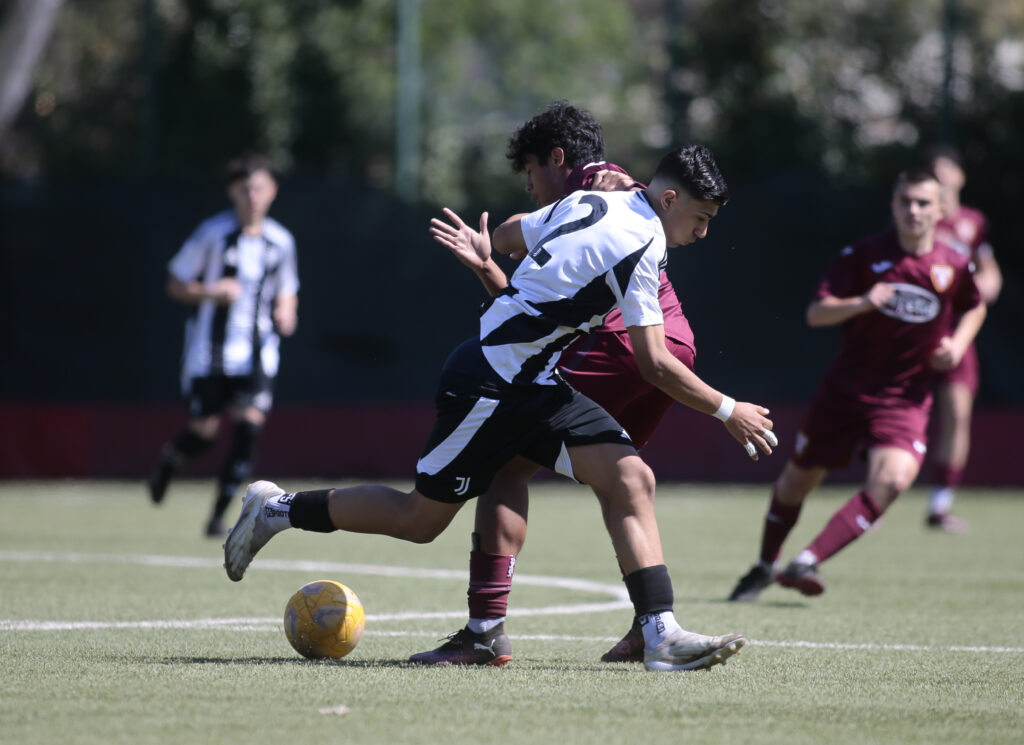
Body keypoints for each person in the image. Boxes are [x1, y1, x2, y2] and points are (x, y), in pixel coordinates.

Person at [223, 144, 778, 672]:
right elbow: (654, 363)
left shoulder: (594, 199)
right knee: (419, 521)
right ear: (671, 200)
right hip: (489, 383)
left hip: (535, 382)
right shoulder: (643, 243)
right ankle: (277, 508)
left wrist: (493, 253)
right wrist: (730, 410)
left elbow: (514, 232)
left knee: (630, 478)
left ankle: (660, 633)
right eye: (701, 219)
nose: (703, 234)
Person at [410, 102, 722, 668]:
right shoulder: (621, 194)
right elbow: (532, 297)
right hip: (673, 342)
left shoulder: (590, 188)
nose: (529, 187)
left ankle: (485, 629)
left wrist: (727, 410)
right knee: (629, 478)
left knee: (506, 465)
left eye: (529, 173)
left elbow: (515, 250)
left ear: (557, 160)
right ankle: (652, 626)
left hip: (620, 345)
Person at [726, 166, 986, 602]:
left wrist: (957, 344)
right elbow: (816, 313)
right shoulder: (863, 256)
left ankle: (807, 561)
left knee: (896, 477)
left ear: (940, 210)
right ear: (893, 206)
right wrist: (863, 302)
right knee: (796, 482)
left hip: (904, 399)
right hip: (845, 394)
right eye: (905, 201)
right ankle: (764, 566)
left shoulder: (954, 263)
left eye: (924, 203)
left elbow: (973, 306)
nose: (914, 211)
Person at [147, 154, 299, 537]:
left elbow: (288, 291)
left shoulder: (280, 242)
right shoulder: (212, 235)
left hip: (258, 354)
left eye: (259, 188)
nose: (252, 196)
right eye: (245, 189)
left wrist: (286, 312)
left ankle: (219, 517)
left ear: (272, 192)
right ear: (232, 191)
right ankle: (171, 458)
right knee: (203, 433)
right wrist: (213, 292)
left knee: (249, 428)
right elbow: (175, 283)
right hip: (209, 354)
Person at [921, 144, 1002, 533]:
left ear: (960, 177)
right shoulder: (919, 217)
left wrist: (987, 286)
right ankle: (873, 495)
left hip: (957, 332)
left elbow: (989, 271)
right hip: (916, 329)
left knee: (958, 414)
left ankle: (940, 505)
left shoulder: (974, 222)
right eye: (934, 174)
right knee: (889, 409)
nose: (941, 180)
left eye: (946, 172)